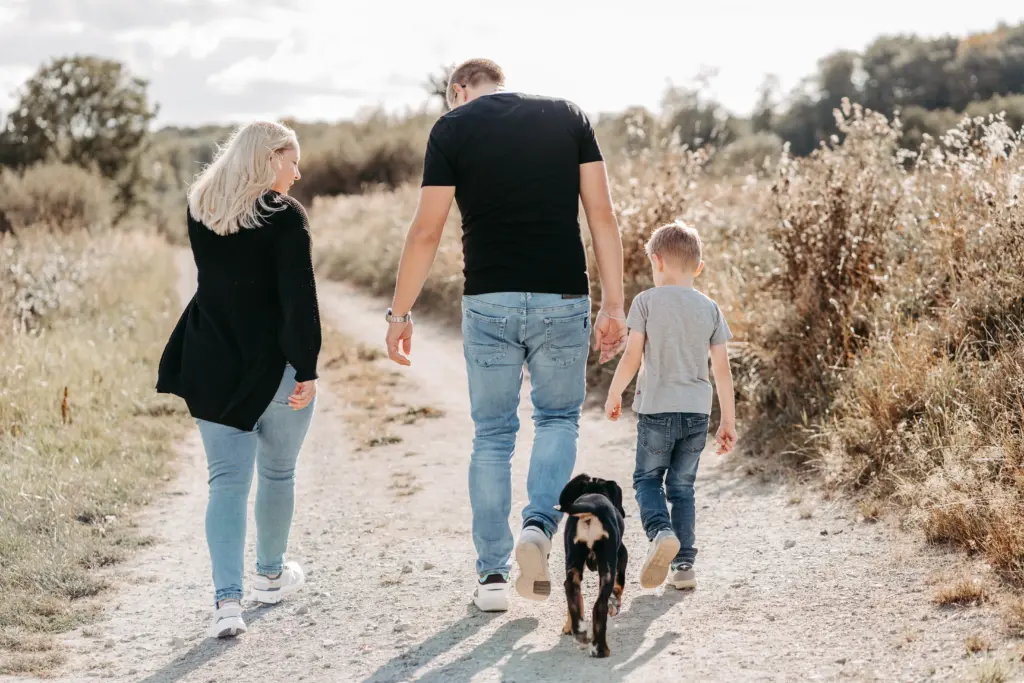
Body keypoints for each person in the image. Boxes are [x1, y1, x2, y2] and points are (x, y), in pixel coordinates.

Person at [383, 58, 627, 611]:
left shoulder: (452, 128)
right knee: (558, 418)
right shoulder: (568, 116)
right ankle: (538, 527)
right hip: (562, 297)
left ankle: (492, 578)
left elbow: (426, 232)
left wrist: (399, 313)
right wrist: (614, 303)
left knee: (492, 434)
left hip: (487, 300)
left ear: (459, 90)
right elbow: (603, 216)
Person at [156, 120, 321, 638]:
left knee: (225, 483)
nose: (298, 172)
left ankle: (227, 605)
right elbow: (298, 299)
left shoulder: (200, 206)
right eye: (292, 161)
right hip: (273, 367)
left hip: (211, 361)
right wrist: (309, 367)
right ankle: (271, 576)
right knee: (276, 474)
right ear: (270, 158)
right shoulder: (284, 215)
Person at [604, 222, 736, 591]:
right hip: (697, 413)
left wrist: (615, 393)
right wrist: (728, 421)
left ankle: (661, 532)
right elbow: (722, 372)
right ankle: (684, 567)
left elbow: (632, 356)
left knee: (647, 480)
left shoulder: (645, 301)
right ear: (698, 268)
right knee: (682, 487)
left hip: (656, 410)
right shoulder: (710, 308)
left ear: (657, 262)